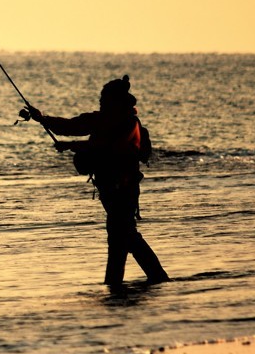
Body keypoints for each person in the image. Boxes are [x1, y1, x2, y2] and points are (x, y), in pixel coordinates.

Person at [25, 75, 171, 287]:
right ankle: (119, 285)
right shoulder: (103, 119)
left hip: (124, 189)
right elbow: (69, 126)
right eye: (101, 98)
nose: (101, 102)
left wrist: (71, 146)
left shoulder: (128, 123)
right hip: (111, 189)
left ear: (116, 101)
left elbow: (107, 147)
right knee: (120, 238)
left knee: (125, 236)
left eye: (105, 98)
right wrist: (42, 118)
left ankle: (154, 279)